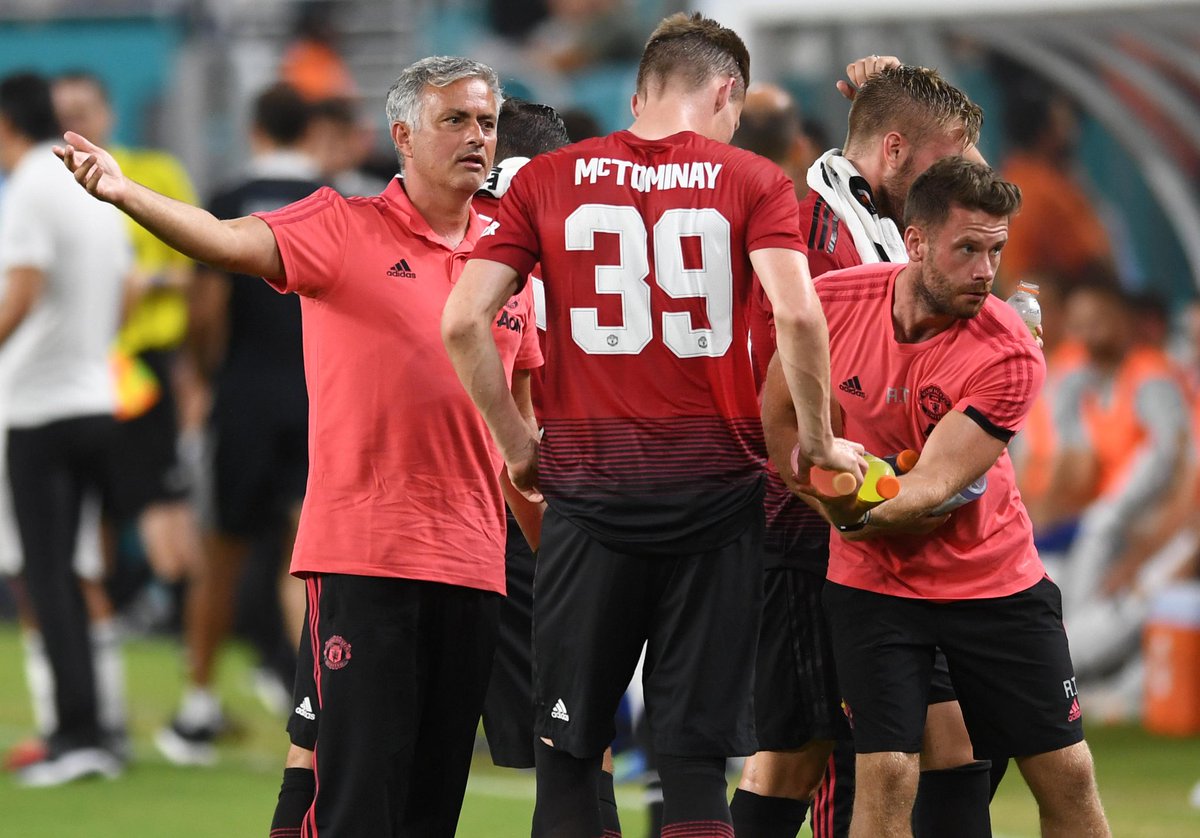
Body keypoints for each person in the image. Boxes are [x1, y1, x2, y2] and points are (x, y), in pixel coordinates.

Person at [57, 55, 541, 835]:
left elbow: (522, 450)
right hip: (368, 558)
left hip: (475, 568)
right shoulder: (342, 225)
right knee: (352, 802)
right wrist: (124, 193)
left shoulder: (510, 266)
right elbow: (220, 241)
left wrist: (555, 575)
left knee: (430, 808)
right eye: (455, 120)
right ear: (403, 137)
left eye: (486, 121)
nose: (477, 137)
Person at [443, 13, 864, 836]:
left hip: (590, 504)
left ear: (639, 94)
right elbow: (801, 316)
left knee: (570, 753)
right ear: (725, 92)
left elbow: (464, 322)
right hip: (717, 504)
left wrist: (518, 443)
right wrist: (813, 440)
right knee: (695, 763)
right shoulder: (752, 180)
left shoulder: (547, 178)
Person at [762, 157, 1111, 838]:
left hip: (994, 584)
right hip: (875, 591)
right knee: (886, 776)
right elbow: (780, 415)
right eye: (968, 249)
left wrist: (854, 509)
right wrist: (818, 498)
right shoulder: (833, 302)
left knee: (1067, 775)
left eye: (996, 250)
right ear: (916, 243)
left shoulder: (1010, 353)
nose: (987, 271)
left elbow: (930, 485)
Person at [734, 63, 993, 838]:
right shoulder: (821, 237)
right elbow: (823, 388)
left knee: (938, 743)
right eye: (942, 160)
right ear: (890, 151)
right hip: (815, 527)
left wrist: (917, 86)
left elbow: (972, 183)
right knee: (812, 755)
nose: (958, 178)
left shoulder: (876, 219)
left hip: (887, 520)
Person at [153, 81, 323, 766]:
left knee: (221, 554)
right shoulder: (334, 202)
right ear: (308, 131)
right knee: (310, 562)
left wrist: (202, 374)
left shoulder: (226, 199)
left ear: (256, 129)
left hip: (246, 399)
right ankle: (321, 705)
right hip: (319, 396)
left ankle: (197, 706)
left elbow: (206, 309)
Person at [0, 71, 131, 786]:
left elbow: (20, 293)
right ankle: (97, 726)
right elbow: (125, 293)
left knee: (44, 575)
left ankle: (76, 735)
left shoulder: (26, 185)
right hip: (93, 397)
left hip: (38, 410)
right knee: (76, 569)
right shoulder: (86, 182)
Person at [53, 70, 205, 592]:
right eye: (63, 112)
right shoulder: (41, 184)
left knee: (159, 503)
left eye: (83, 109)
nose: (73, 121)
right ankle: (103, 634)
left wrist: (146, 280)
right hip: (71, 368)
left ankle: (189, 636)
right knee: (83, 506)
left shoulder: (152, 171)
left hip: (137, 366)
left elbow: (197, 261)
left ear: (108, 115)